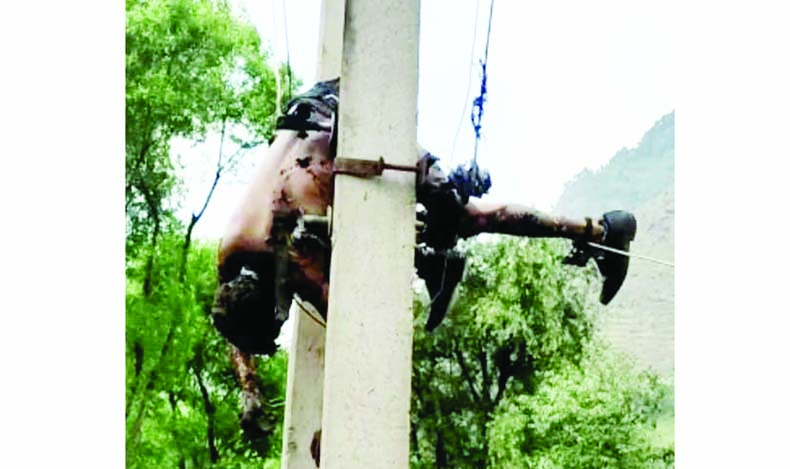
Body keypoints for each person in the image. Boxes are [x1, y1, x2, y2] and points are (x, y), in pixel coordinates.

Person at [212, 79, 636, 433]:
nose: (285, 321)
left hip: (358, 121)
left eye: (277, 323)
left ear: (271, 306)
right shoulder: (232, 253)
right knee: (394, 231)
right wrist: (248, 388)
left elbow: (357, 331)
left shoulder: (295, 258)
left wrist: (336, 433)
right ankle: (436, 262)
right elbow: (235, 327)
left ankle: (603, 231)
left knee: (461, 217)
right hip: (316, 120)